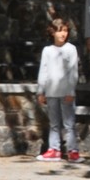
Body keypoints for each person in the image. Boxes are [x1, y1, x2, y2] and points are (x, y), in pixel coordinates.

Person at [37, 18, 81, 162]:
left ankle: (73, 150)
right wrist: (41, 91)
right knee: (54, 123)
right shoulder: (47, 50)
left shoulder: (71, 49)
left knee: (69, 123)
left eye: (65, 31)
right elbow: (43, 71)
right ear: (52, 32)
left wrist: (71, 91)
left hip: (66, 92)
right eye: (60, 31)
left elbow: (73, 72)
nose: (63, 34)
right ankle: (54, 149)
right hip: (51, 92)